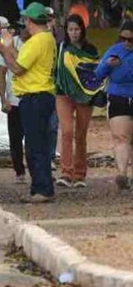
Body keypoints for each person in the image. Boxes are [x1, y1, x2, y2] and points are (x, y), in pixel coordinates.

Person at [0, 2, 58, 204]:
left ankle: (43, 189)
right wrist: (8, 48)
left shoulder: (38, 41)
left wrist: (2, 49)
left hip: (34, 96)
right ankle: (40, 187)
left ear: (29, 21)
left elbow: (18, 69)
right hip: (40, 96)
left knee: (35, 146)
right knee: (38, 144)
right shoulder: (45, 39)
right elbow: (21, 60)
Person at [54, 14, 99, 188]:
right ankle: (66, 172)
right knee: (66, 132)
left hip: (85, 95)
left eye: (77, 29)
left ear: (82, 30)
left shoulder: (90, 50)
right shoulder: (61, 48)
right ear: (66, 31)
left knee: (81, 134)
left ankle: (80, 174)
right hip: (63, 93)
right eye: (70, 29)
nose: (73, 33)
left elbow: (94, 72)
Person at [95, 20, 133, 190]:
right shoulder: (114, 51)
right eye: (123, 38)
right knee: (121, 137)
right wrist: (107, 64)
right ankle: (122, 174)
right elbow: (98, 74)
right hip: (118, 96)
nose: (127, 43)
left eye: (131, 39)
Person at [0, 21, 28, 183]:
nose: (25, 30)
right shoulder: (9, 44)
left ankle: (37, 169)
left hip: (31, 98)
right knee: (15, 138)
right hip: (14, 99)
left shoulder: (36, 42)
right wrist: (3, 99)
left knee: (34, 137)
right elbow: (2, 74)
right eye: (22, 27)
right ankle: (19, 171)